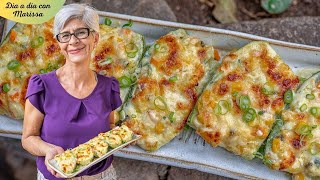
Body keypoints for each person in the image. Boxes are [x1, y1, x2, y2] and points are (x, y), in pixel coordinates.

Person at [21, 4, 121, 180]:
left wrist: (121, 137)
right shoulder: (41, 86)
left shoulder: (109, 87)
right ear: (59, 43)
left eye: (81, 32)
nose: (73, 41)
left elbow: (110, 128)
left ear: (95, 38)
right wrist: (48, 150)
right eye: (65, 35)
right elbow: (28, 137)